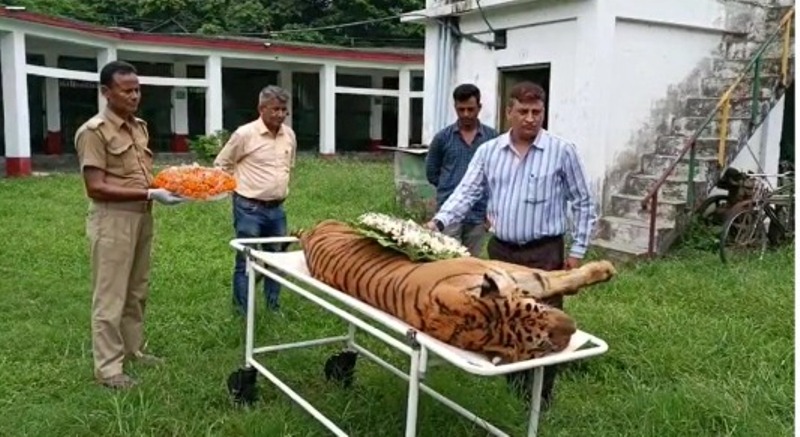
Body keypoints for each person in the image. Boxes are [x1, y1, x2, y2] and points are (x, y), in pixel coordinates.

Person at [426, 81, 597, 409]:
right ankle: (515, 388)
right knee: (505, 321)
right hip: (502, 253)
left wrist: (577, 252)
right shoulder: (489, 152)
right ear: (509, 113)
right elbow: (465, 193)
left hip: (544, 254)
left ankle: (541, 397)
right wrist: (438, 223)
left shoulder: (562, 151)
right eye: (523, 112)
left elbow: (584, 203)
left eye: (537, 112)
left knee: (545, 323)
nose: (531, 119)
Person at [75, 60, 186, 389]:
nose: (135, 95)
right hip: (112, 219)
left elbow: (142, 173)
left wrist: (173, 185)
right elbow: (94, 186)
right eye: (127, 90)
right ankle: (108, 370)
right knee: (110, 295)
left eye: (137, 89)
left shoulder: (139, 127)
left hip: (142, 215)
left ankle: (132, 350)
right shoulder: (93, 132)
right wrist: (150, 192)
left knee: (136, 290)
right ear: (106, 93)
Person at [214, 85, 297, 315]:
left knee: (276, 260)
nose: (280, 115)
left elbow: (288, 166)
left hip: (277, 209)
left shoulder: (288, 135)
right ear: (261, 109)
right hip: (248, 208)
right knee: (246, 260)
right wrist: (231, 189)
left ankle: (273, 306)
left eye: (284, 110)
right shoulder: (245, 134)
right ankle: (242, 310)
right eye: (275, 109)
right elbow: (222, 164)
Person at [425, 84, 498, 256]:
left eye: (470, 109)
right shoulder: (443, 138)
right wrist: (449, 188)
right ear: (455, 108)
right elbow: (432, 172)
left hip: (478, 213)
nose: (466, 114)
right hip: (448, 214)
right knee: (448, 260)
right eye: (461, 109)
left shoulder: (492, 138)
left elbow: (497, 177)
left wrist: (491, 212)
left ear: (479, 108)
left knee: (471, 264)